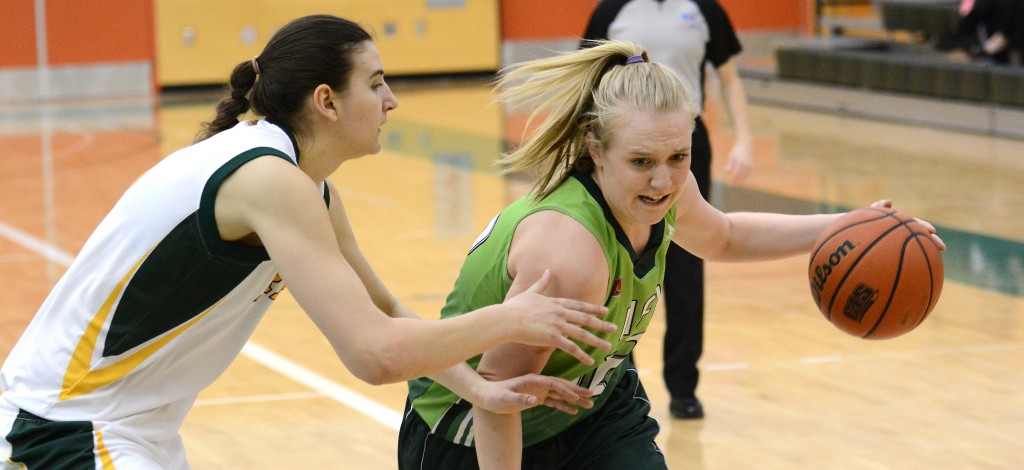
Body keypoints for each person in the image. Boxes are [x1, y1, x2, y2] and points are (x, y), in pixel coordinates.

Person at [0, 15, 618, 469]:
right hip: (68, 424)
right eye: (375, 84)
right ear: (326, 101)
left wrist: (480, 388)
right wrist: (509, 319)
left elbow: (382, 312)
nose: (392, 100)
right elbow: (374, 355)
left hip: (128, 429)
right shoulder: (268, 178)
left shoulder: (306, 186)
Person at [397, 40, 946, 469]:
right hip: (473, 434)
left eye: (678, 157)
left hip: (592, 408)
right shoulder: (569, 255)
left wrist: (856, 224)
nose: (662, 181)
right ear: (597, 150)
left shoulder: (663, 189)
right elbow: (497, 395)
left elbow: (724, 236)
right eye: (641, 162)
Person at [580, 0, 755, 419]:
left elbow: (729, 79)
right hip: (629, 147)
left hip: (682, 140)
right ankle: (623, 383)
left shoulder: (703, 9)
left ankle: (683, 387)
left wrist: (745, 138)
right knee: (615, 267)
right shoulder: (612, 11)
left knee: (686, 264)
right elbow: (584, 84)